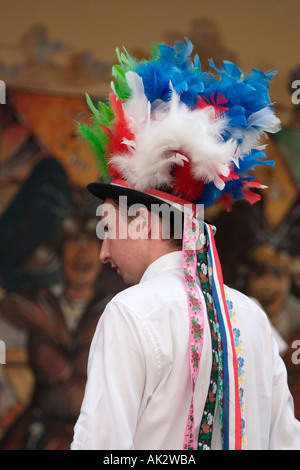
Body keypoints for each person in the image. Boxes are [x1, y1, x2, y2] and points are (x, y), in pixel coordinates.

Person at [71, 38, 300, 450]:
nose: (103, 251)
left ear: (140, 220)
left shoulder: (129, 313)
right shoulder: (252, 318)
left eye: (107, 227)